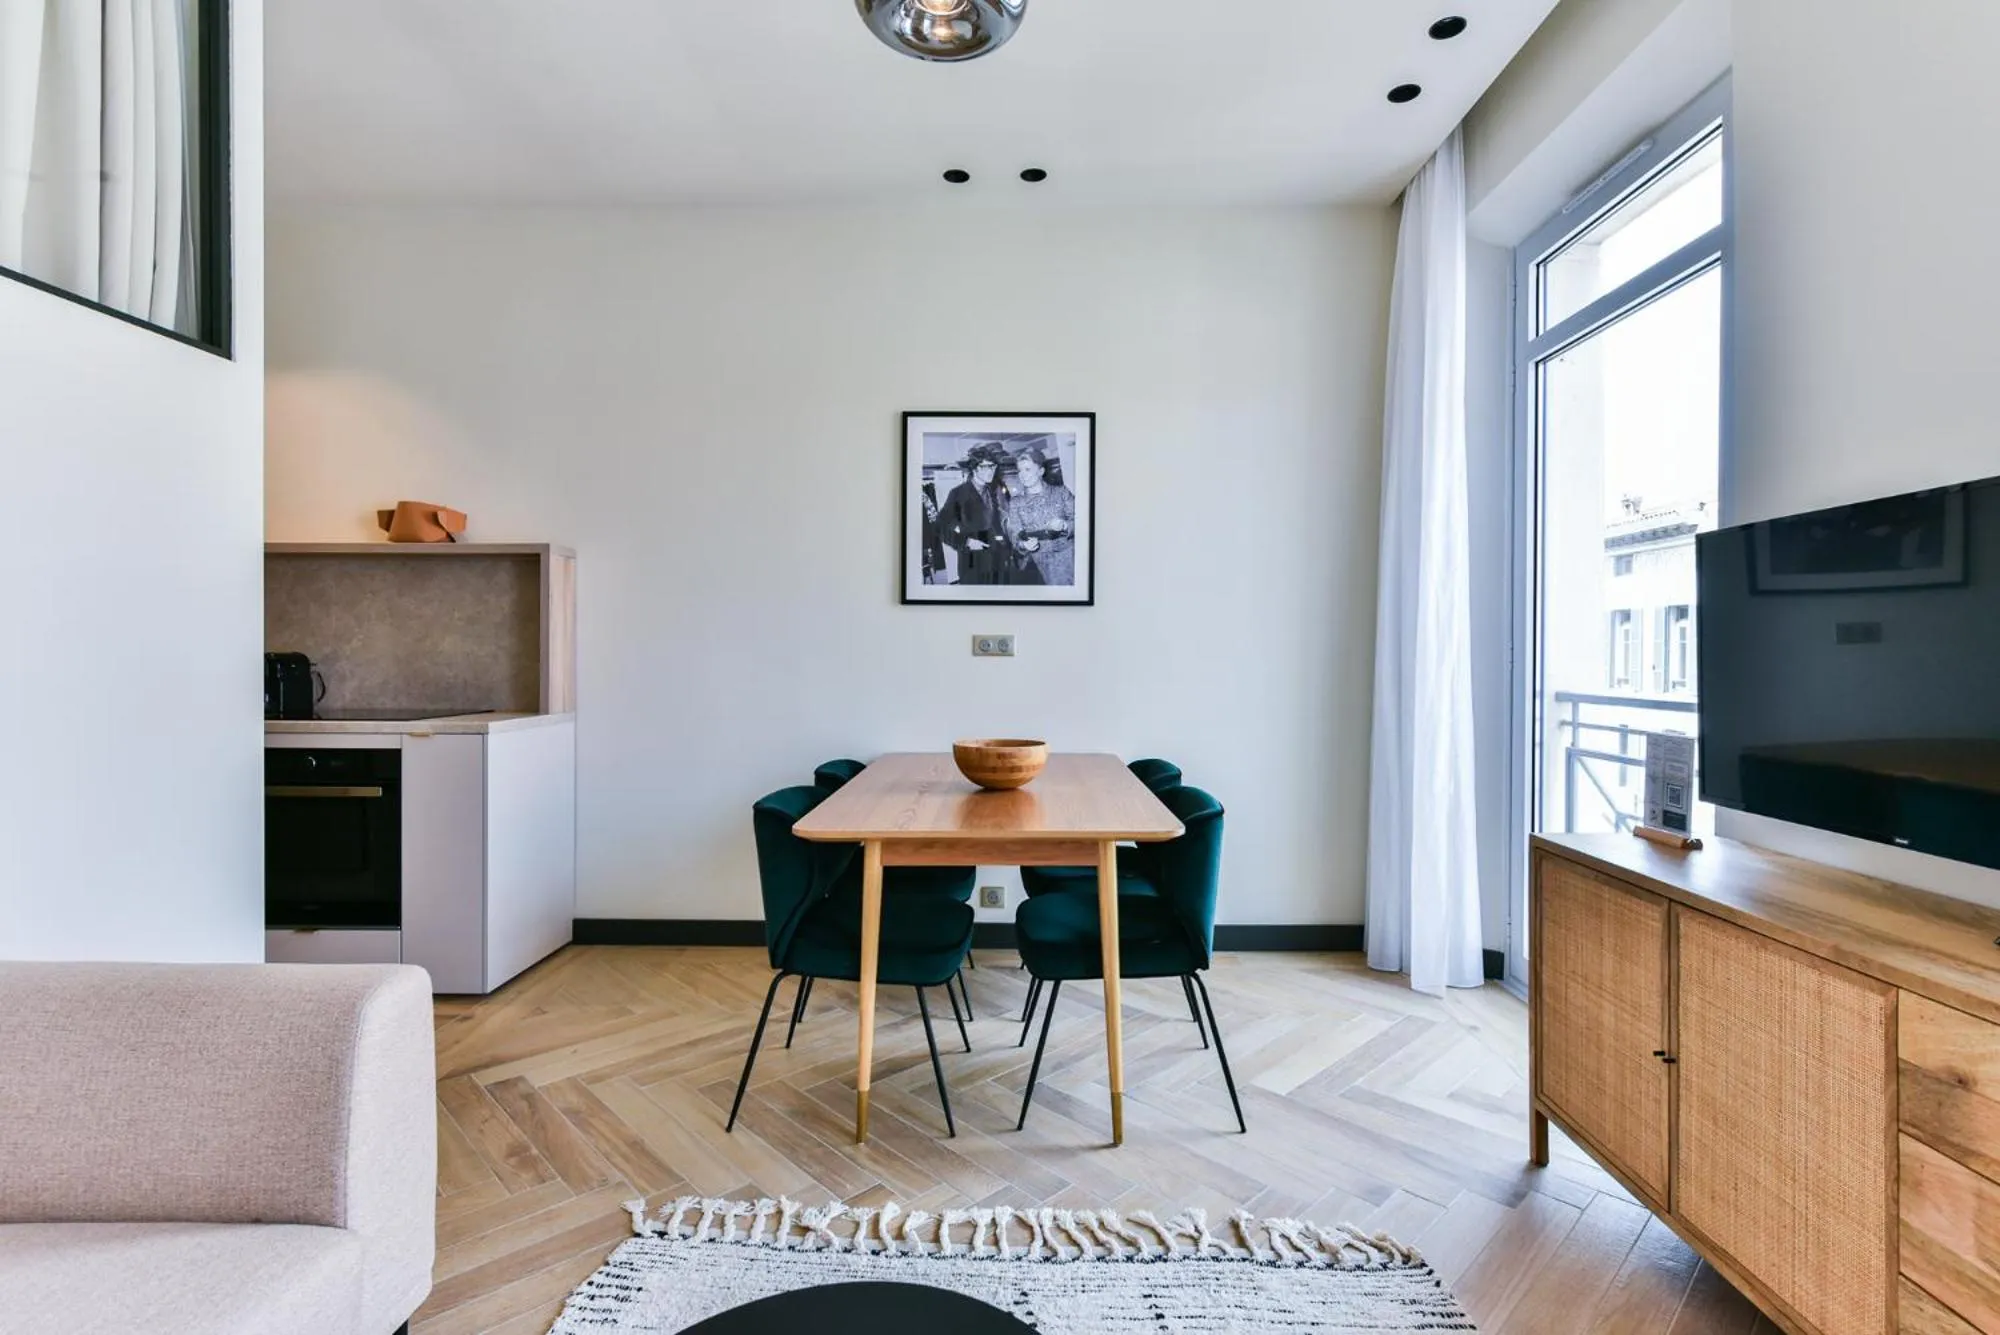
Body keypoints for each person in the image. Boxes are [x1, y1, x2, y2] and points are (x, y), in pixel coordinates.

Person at [1001, 444, 1076, 586]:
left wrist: (1065, 525)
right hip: (1039, 561)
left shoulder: (1061, 493)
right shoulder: (1016, 502)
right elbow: (1015, 535)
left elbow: (1082, 520)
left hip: (1069, 556)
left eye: (1028, 469)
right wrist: (1024, 544)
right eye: (1020, 470)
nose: (1022, 475)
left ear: (1041, 471)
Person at [936, 443, 1011, 585]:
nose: (991, 471)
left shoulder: (994, 490)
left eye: (993, 466)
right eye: (985, 467)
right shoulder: (959, 493)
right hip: (973, 562)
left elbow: (998, 523)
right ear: (974, 468)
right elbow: (940, 526)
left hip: (997, 560)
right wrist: (966, 542)